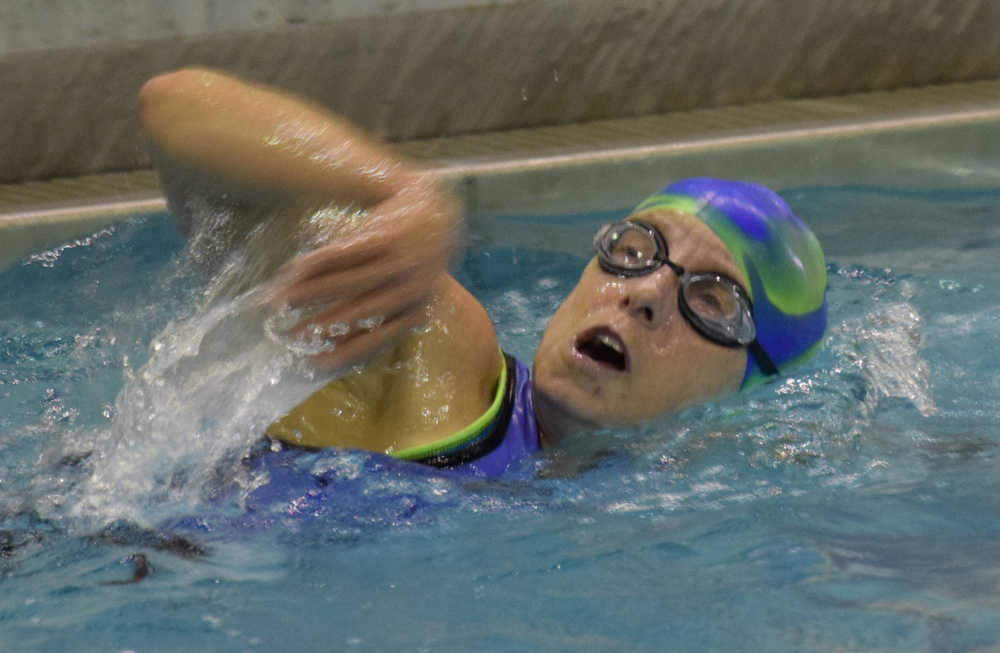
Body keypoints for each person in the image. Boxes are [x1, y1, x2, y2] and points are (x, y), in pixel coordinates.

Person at [139, 68, 828, 477]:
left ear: (746, 390)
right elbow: (174, 107)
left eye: (709, 301)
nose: (646, 292)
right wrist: (401, 193)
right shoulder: (429, 341)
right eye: (637, 249)